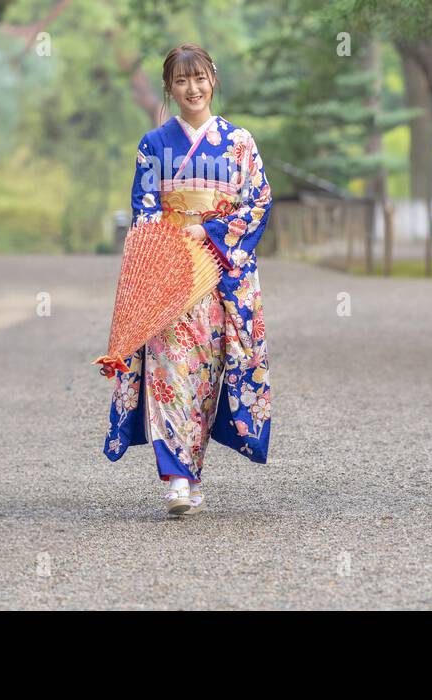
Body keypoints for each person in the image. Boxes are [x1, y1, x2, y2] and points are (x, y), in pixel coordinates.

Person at [103, 43, 274, 517]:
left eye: (199, 78)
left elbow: (258, 202)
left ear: (213, 79)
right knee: (170, 373)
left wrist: (211, 231)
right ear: (169, 88)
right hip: (173, 275)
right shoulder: (154, 145)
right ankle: (177, 480)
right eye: (181, 81)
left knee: (206, 375)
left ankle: (193, 471)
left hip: (220, 274)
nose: (192, 89)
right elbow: (145, 208)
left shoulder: (240, 143)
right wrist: (173, 242)